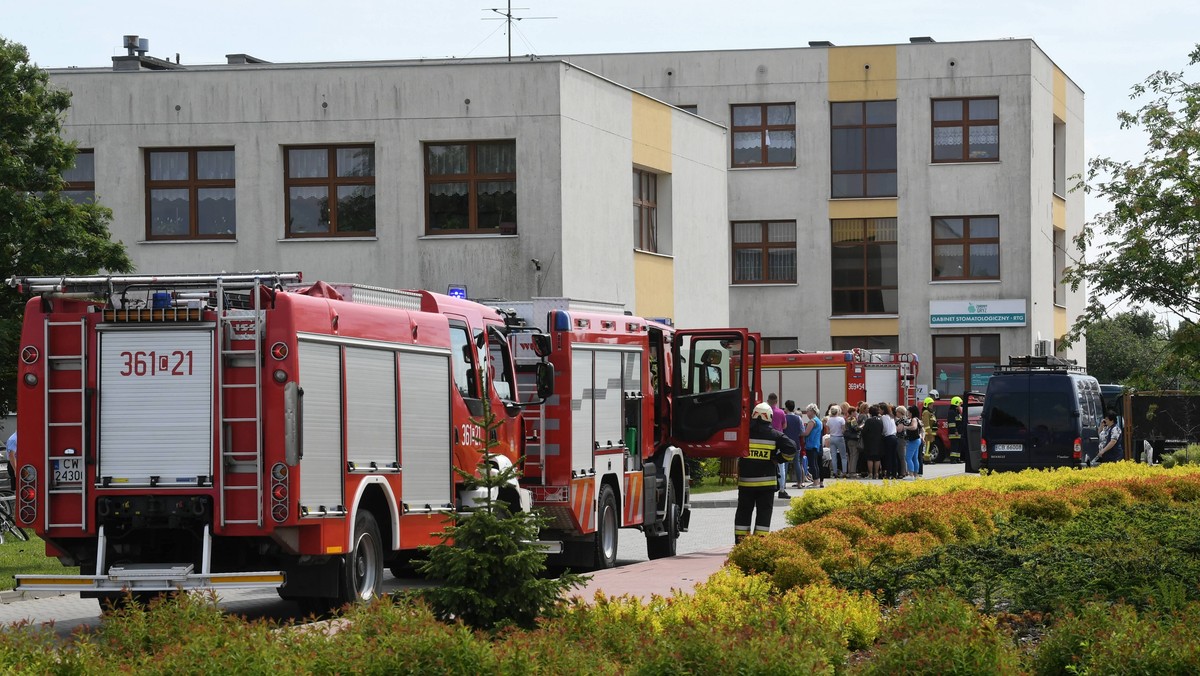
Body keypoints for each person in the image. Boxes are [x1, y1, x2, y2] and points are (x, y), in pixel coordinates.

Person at [734, 402, 797, 544]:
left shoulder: (744, 435)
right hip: (766, 484)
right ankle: (760, 543)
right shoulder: (775, 435)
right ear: (769, 417)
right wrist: (778, 459)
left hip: (746, 483)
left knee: (743, 512)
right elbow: (792, 448)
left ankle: (741, 543)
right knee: (764, 513)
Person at [782, 400, 807, 490]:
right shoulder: (798, 418)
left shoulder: (784, 417)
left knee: (785, 464)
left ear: (787, 408)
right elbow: (802, 431)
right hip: (796, 443)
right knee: (797, 463)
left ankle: (783, 483)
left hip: (786, 443)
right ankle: (799, 482)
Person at [803, 403, 825, 488]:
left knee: (812, 464)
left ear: (812, 411)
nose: (807, 413)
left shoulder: (812, 421)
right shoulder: (819, 421)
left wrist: (799, 433)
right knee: (815, 464)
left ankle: (815, 482)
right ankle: (817, 481)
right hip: (816, 444)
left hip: (810, 444)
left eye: (807, 411)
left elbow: (806, 433)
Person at [897, 405, 921, 480]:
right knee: (915, 458)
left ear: (912, 412)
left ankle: (911, 474)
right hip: (917, 440)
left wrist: (905, 427)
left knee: (908, 457)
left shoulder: (913, 419)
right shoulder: (917, 419)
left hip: (913, 440)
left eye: (909, 412)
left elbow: (914, 427)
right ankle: (916, 474)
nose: (908, 413)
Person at [862, 405, 884, 480]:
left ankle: (871, 473)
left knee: (870, 458)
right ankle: (877, 474)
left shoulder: (869, 421)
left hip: (869, 441)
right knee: (877, 458)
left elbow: (864, 431)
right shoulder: (880, 421)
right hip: (879, 441)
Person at [826, 404, 847, 478]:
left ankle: (834, 472)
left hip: (832, 437)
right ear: (838, 411)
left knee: (833, 456)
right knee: (843, 456)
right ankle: (844, 472)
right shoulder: (841, 419)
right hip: (839, 437)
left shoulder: (829, 420)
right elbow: (843, 429)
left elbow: (828, 431)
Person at [842, 402, 862, 479]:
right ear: (852, 412)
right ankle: (853, 472)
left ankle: (850, 471)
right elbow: (856, 428)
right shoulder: (853, 419)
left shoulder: (847, 419)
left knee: (850, 456)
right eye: (855, 412)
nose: (856, 413)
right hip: (854, 439)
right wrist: (862, 426)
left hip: (848, 440)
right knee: (854, 455)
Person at [879, 402, 898, 479]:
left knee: (888, 456)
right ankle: (894, 473)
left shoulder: (883, 417)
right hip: (894, 437)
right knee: (894, 456)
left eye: (880, 410)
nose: (879, 411)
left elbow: (885, 429)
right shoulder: (891, 417)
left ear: (883, 410)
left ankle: (888, 473)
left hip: (888, 437)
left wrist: (882, 433)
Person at [946, 396, 965, 462]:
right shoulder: (951, 412)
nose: (960, 405)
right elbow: (952, 423)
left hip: (959, 433)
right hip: (954, 433)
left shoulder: (957, 412)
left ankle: (957, 458)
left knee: (959, 446)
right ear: (956, 403)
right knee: (954, 447)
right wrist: (955, 431)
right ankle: (953, 459)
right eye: (959, 403)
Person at [921, 396, 938, 465]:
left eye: (932, 404)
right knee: (928, 446)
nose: (932, 406)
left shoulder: (930, 412)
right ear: (926, 405)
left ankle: (928, 459)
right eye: (930, 404)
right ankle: (926, 460)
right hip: (928, 433)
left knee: (930, 446)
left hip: (932, 433)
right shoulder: (926, 412)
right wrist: (929, 432)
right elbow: (926, 424)